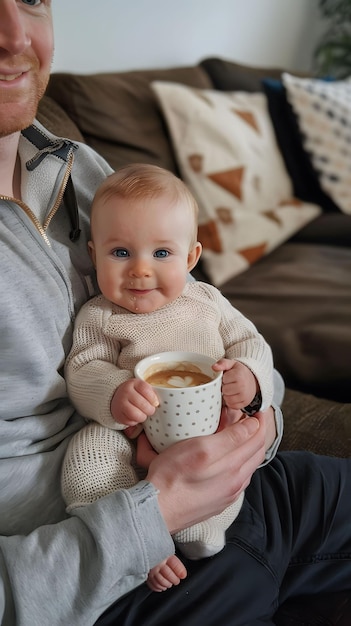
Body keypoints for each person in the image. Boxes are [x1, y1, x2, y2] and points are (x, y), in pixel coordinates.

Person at [0, 1, 349, 625]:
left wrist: (258, 410)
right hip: (106, 567)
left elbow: (228, 333)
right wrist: (144, 526)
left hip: (236, 486)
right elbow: (89, 365)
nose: (14, 35)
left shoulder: (78, 167)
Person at [61, 163, 276, 592]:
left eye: (161, 254)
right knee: (87, 457)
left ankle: (203, 530)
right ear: (93, 253)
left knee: (222, 456)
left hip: (206, 422)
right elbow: (83, 369)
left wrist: (250, 378)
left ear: (191, 257)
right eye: (120, 253)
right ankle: (142, 541)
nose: (140, 270)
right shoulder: (99, 316)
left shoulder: (206, 300)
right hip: (128, 433)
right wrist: (113, 393)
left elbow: (250, 341)